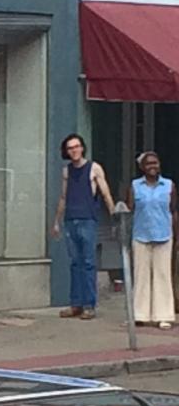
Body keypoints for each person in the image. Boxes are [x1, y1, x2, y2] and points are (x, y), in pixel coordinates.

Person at [51, 133, 115, 320]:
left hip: (88, 219)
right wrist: (56, 221)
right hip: (71, 219)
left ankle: (89, 304)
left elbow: (105, 192)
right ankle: (76, 303)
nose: (74, 150)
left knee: (88, 262)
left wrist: (114, 216)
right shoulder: (67, 171)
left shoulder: (93, 168)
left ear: (82, 147)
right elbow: (63, 196)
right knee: (75, 263)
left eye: (77, 146)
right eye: (70, 148)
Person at [126, 151, 177, 330]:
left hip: (164, 235)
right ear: (142, 168)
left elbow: (173, 210)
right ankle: (139, 315)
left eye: (155, 163)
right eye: (148, 164)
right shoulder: (135, 186)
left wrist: (176, 235)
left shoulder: (169, 185)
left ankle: (164, 316)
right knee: (141, 276)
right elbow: (130, 210)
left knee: (162, 275)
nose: (152, 167)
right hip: (141, 235)